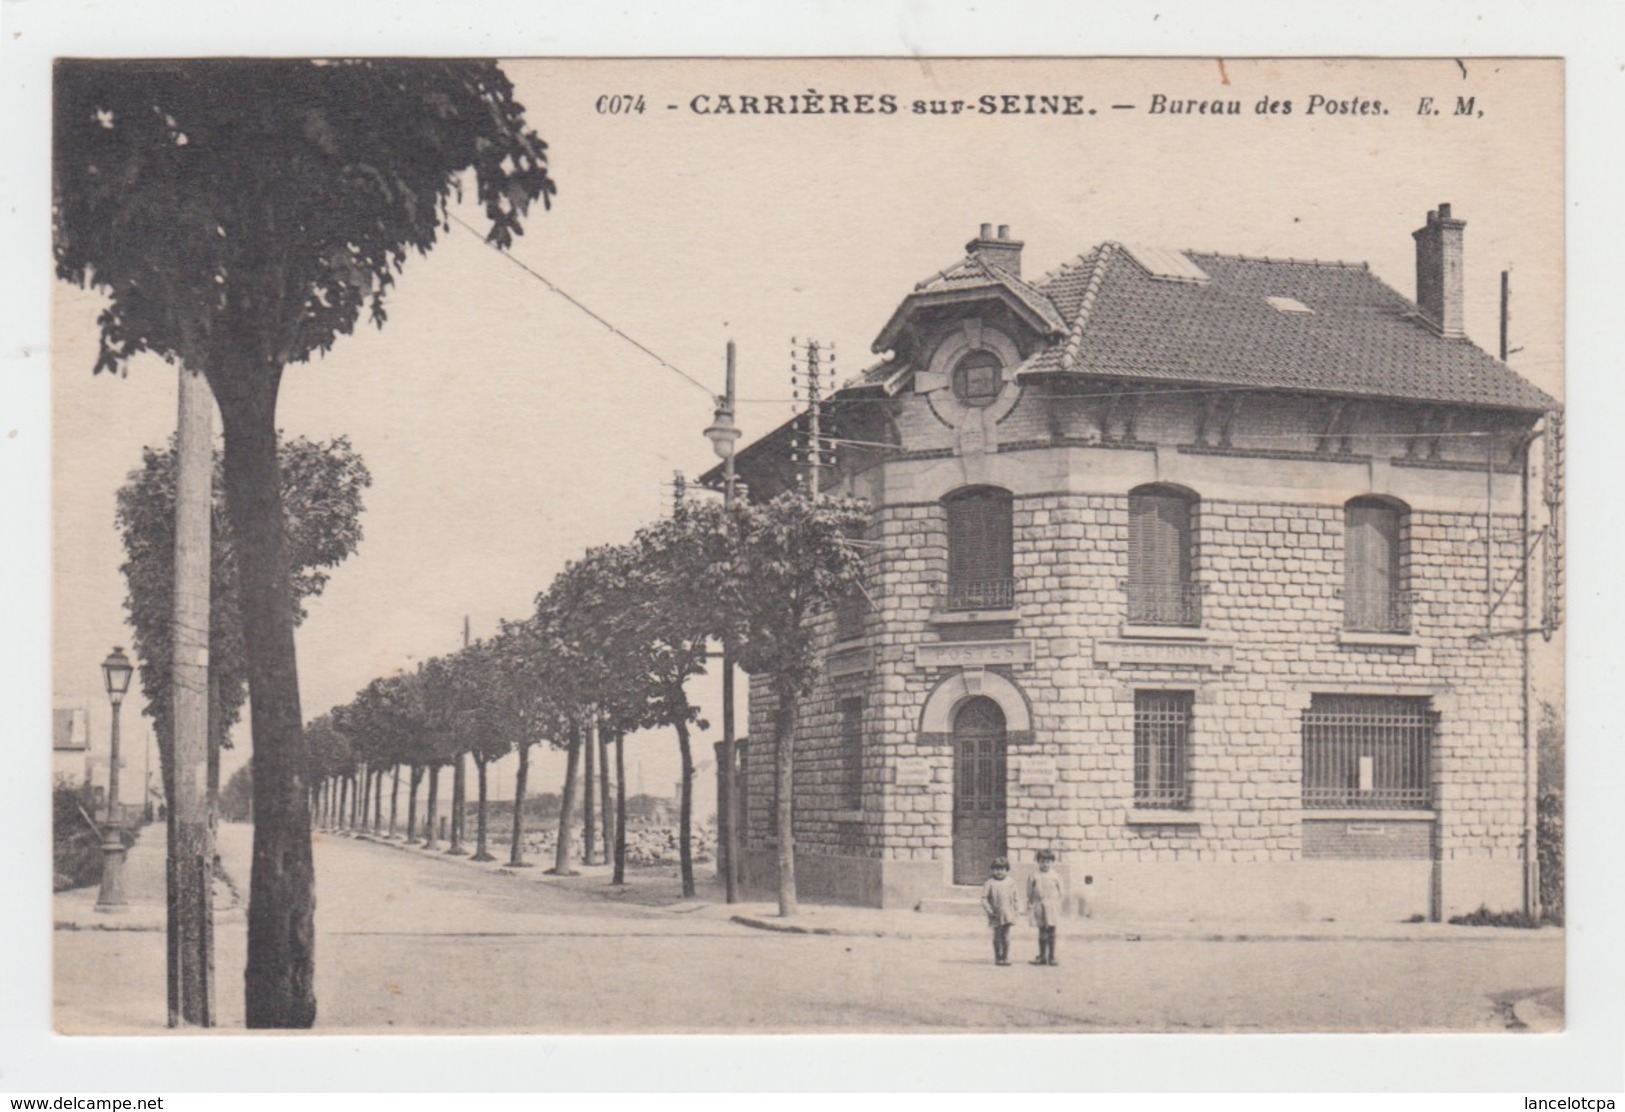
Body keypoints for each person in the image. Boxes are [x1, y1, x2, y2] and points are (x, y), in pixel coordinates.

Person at [1026, 849, 1065, 966]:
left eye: (1048, 862)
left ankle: (1052, 956)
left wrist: (1057, 903)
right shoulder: (1034, 875)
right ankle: (1042, 956)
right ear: (1038, 862)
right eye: (1043, 861)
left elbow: (1061, 890)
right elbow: (1029, 891)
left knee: (1052, 930)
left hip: (1052, 905)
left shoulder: (1056, 875)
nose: (1045, 864)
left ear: (1052, 862)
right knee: (1042, 930)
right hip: (1039, 905)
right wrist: (1032, 903)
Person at [980, 856, 1021, 966]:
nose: (999, 872)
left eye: (1002, 869)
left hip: (1008, 913)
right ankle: (998, 957)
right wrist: (989, 910)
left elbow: (1016, 897)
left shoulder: (1011, 882)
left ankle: (1005, 957)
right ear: (992, 870)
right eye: (997, 869)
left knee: (1006, 935)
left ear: (1006, 870)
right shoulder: (989, 883)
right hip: (995, 914)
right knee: (997, 935)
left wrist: (1017, 910)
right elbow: (984, 898)